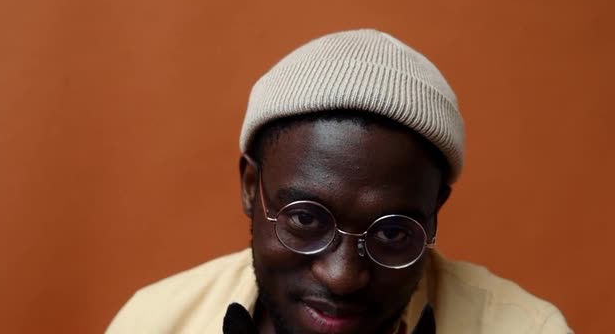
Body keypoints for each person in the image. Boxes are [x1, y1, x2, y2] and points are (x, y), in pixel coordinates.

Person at [106, 29, 573, 333]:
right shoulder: (156, 322)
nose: (344, 277)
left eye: (392, 233)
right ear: (252, 186)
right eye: (306, 218)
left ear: (435, 213)